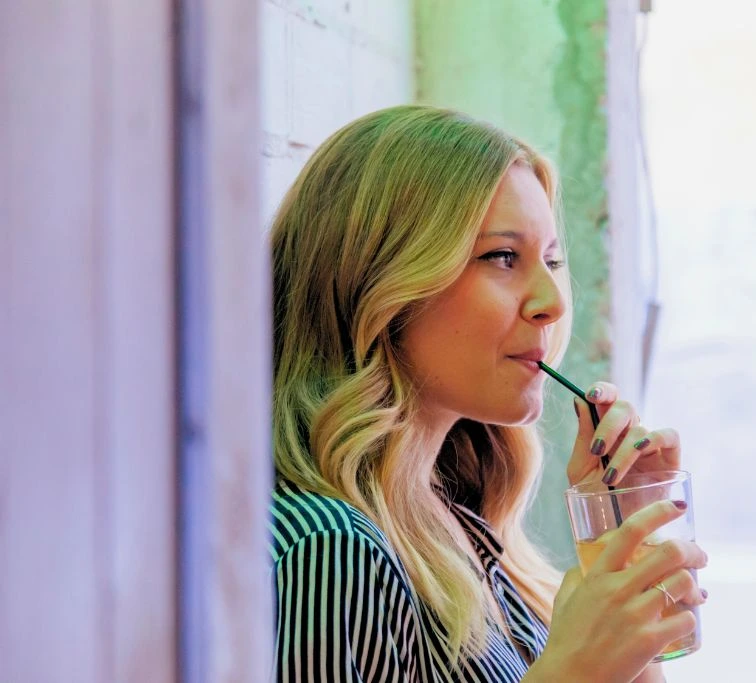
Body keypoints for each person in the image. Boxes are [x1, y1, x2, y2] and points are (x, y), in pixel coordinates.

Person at [269, 105, 708, 683]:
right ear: (380, 280)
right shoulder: (327, 552)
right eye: (503, 257)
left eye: (552, 260)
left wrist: (616, 549)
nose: (552, 301)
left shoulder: (456, 525)